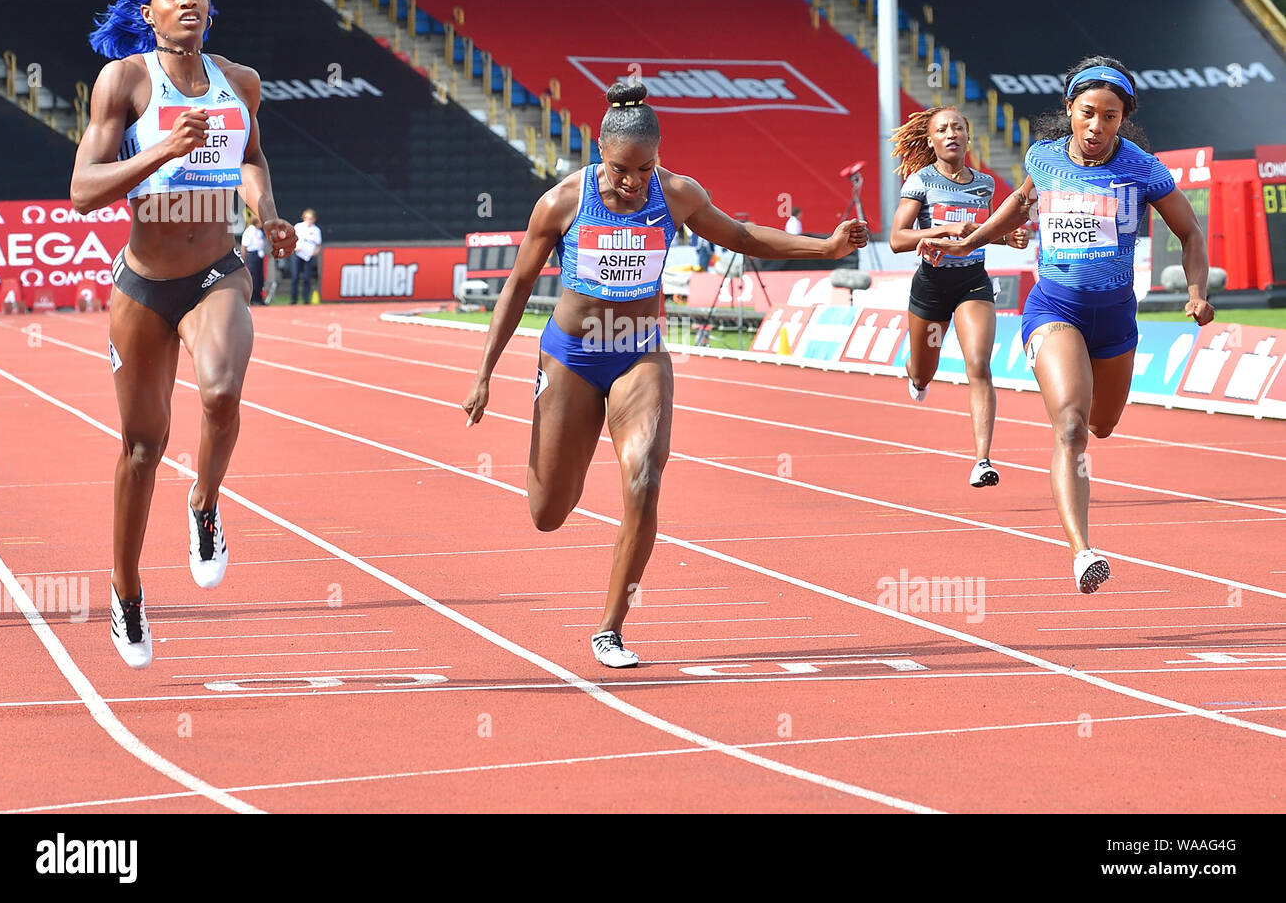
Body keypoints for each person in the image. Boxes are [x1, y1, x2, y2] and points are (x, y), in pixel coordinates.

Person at [463, 80, 867, 668]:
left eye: (644, 168)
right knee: (548, 512)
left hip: (638, 353)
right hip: (571, 355)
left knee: (644, 479)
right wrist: (485, 373)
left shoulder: (675, 193)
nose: (632, 183)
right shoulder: (562, 203)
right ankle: (565, 478)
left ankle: (610, 627)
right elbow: (519, 287)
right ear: (601, 151)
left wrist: (823, 248)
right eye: (623, 170)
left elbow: (742, 234)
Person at [70, 0, 297, 668]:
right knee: (142, 446)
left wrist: (267, 214)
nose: (188, 1)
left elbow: (252, 159)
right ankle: (127, 591)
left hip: (215, 271)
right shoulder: (126, 81)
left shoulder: (241, 84)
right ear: (148, 11)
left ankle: (203, 504)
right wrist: (162, 148)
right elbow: (81, 189)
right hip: (142, 286)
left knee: (223, 393)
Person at [918, 56, 1214, 594]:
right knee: (1072, 428)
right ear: (1069, 111)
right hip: (1055, 308)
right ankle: (1082, 552)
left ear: (1124, 117)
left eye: (1110, 116)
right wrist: (971, 239)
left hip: (1116, 314)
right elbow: (1019, 203)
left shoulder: (1143, 169)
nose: (1097, 127)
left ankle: (1082, 525)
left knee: (1102, 425)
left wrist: (1197, 292)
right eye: (1087, 114)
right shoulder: (1046, 158)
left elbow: (1191, 233)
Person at [888, 105, 1030, 487]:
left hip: (973, 283)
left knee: (979, 364)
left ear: (968, 137)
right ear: (931, 140)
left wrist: (1008, 237)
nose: (950, 134)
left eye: (957, 128)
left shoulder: (983, 184)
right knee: (923, 371)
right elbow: (897, 239)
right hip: (932, 286)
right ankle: (917, 375)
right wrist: (944, 230)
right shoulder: (920, 181)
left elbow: (979, 234)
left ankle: (982, 460)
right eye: (942, 129)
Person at [290, 208, 321, 304]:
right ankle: (293, 299)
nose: (309, 220)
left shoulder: (316, 230)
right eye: (307, 218)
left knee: (307, 278)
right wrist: (294, 248)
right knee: (295, 277)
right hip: (298, 254)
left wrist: (314, 252)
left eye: (311, 218)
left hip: (308, 256)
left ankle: (306, 299)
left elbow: (318, 245)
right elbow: (291, 239)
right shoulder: (298, 227)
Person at [241, 208, 267, 304]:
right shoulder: (249, 231)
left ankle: (259, 297)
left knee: (260, 277)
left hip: (259, 255)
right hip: (252, 255)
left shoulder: (259, 232)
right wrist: (243, 259)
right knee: (253, 276)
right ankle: (253, 298)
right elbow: (244, 246)